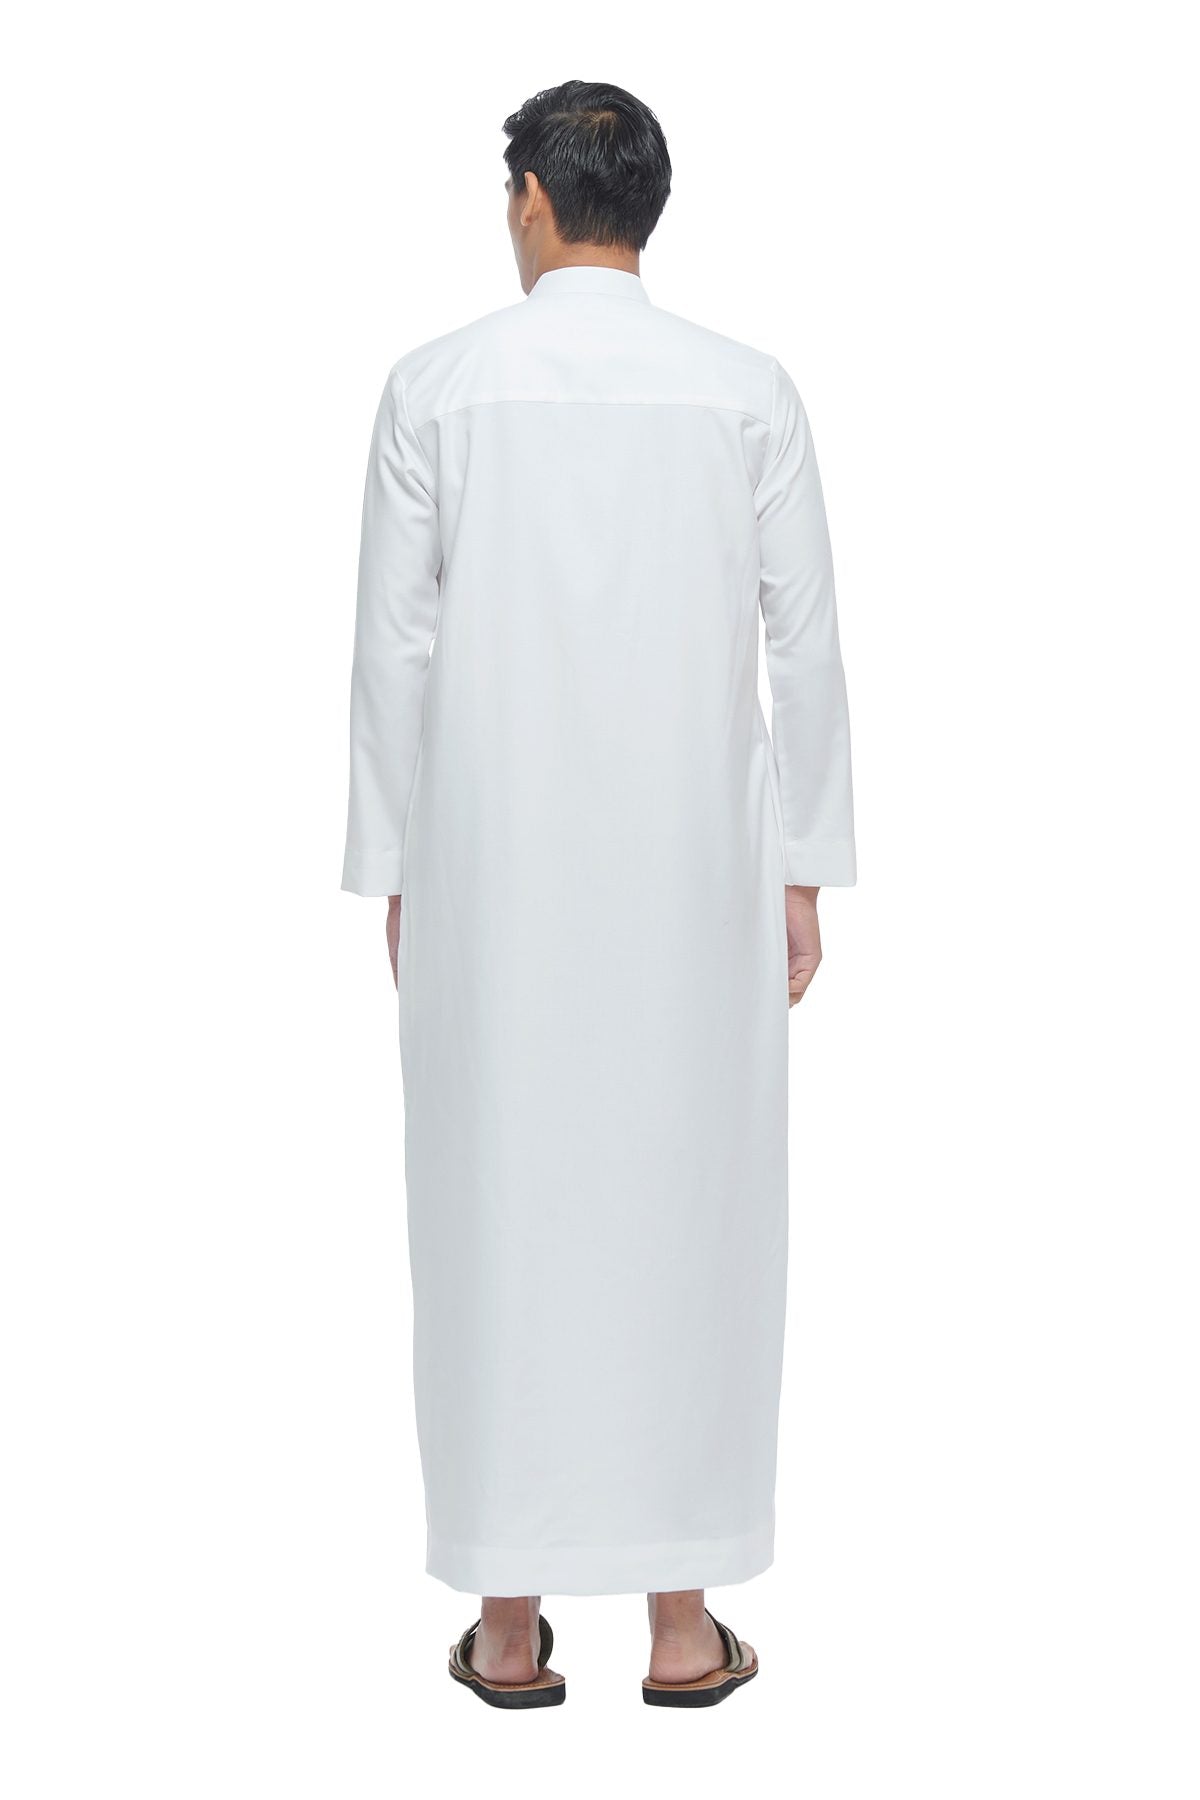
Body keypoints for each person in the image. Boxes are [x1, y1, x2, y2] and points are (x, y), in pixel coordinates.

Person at [341, 79, 856, 1709]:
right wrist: (803, 870)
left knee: (495, 1207)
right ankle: (683, 1627)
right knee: (689, 1205)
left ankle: (507, 1627)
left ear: (533, 199)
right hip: (696, 870)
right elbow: (804, 644)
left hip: (491, 870)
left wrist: (393, 870)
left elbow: (393, 652)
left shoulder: (437, 387)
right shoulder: (746, 391)